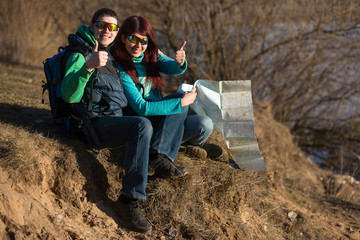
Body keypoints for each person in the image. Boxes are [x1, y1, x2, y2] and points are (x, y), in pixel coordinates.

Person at [60, 8, 186, 234]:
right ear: (92, 25)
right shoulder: (79, 54)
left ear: (118, 32)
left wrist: (179, 62)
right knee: (141, 125)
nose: (107, 31)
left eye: (112, 27)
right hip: (90, 125)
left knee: (177, 113)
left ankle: (162, 155)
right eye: (102, 25)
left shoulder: (108, 55)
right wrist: (88, 66)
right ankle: (130, 200)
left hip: (113, 119)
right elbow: (69, 95)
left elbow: (163, 63)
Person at [111, 16, 214, 177]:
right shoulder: (120, 68)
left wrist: (179, 62)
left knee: (204, 124)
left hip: (161, 117)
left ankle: (191, 146)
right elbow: (141, 108)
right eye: (133, 39)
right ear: (123, 38)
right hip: (142, 121)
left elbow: (170, 67)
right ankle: (158, 156)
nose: (139, 45)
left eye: (143, 41)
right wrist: (179, 103)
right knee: (178, 102)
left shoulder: (151, 54)